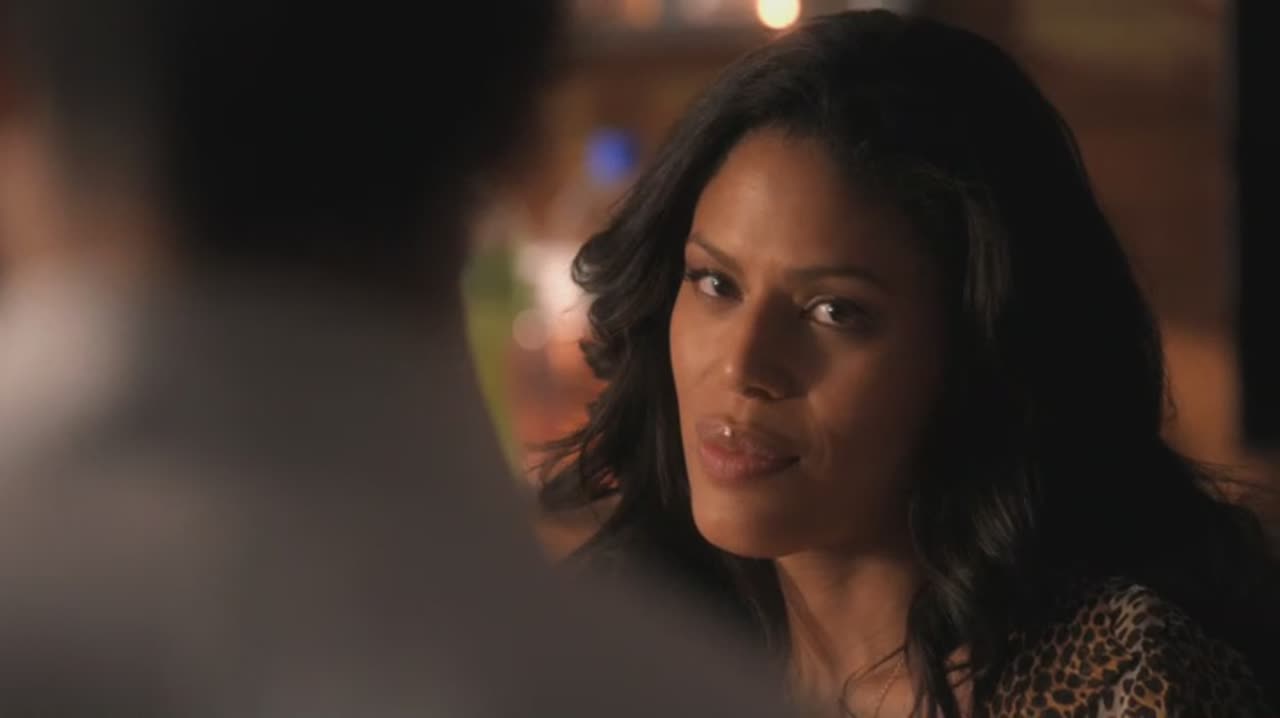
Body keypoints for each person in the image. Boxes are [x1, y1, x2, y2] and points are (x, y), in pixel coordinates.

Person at [0, 2, 793, 716]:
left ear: (13, 86)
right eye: (713, 282)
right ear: (523, 127)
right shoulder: (671, 688)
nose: (746, 364)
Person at [540, 9, 1279, 717]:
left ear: (977, 356)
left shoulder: (1121, 685)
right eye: (715, 283)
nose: (742, 365)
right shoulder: (625, 650)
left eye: (834, 311)